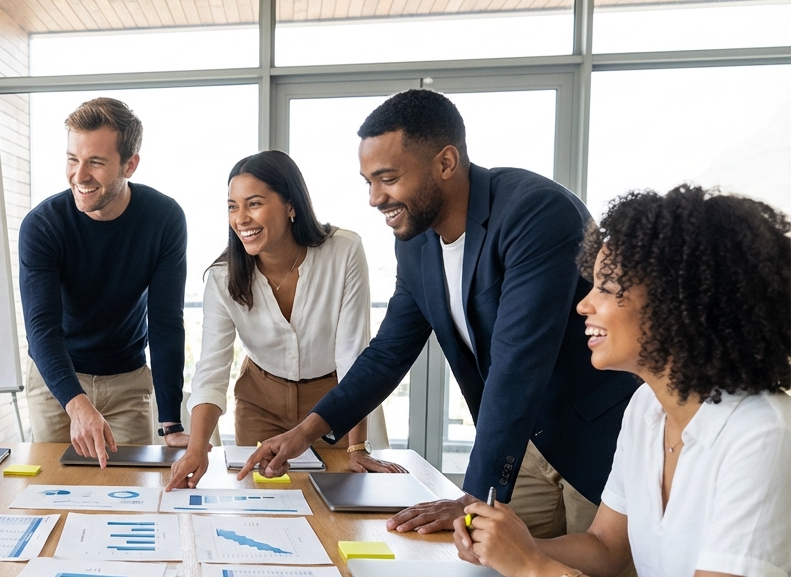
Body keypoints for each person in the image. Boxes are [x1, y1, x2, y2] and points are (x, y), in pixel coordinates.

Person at [455, 186, 791, 577]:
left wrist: (540, 572)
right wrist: (508, 550)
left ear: (680, 302)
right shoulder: (645, 408)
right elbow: (608, 549)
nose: (584, 304)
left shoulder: (766, 432)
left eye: (607, 288)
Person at [242, 89, 638, 539]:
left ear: (446, 163)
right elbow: (388, 353)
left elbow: (517, 363)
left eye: (387, 178)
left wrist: (469, 498)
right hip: (521, 447)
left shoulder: (535, 212)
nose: (374, 198)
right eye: (367, 181)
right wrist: (304, 432)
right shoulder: (416, 241)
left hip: (594, 443)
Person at [168, 150, 404, 490]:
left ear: (291, 205)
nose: (241, 218)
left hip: (334, 403)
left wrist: (356, 446)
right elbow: (212, 369)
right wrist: (196, 450)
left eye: (254, 203)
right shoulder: (223, 277)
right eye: (233, 206)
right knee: (263, 507)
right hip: (260, 400)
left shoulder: (344, 251)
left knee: (339, 503)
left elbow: (353, 354)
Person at [18, 97, 188, 466]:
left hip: (127, 382)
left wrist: (171, 419)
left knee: (130, 493)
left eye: (95, 162)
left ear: (130, 164)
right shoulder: (43, 225)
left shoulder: (163, 219)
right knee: (55, 491)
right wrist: (76, 404)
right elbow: (42, 329)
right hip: (57, 383)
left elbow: (165, 322)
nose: (79, 175)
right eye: (72, 159)